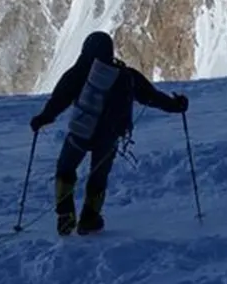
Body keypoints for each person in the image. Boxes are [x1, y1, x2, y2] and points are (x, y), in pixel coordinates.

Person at [30, 31, 189, 235]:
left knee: (65, 169)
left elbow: (59, 100)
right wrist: (177, 105)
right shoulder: (126, 75)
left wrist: (43, 118)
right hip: (108, 137)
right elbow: (152, 97)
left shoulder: (78, 72)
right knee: (99, 176)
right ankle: (90, 219)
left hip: (81, 132)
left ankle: (65, 214)